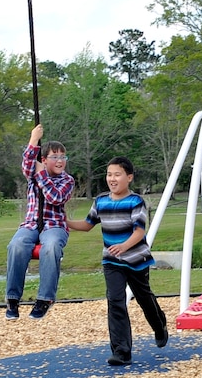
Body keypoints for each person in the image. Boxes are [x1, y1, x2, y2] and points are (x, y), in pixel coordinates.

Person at [67, 156, 167, 366]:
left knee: (144, 298)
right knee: (115, 301)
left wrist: (123, 246)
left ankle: (159, 325)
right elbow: (87, 224)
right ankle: (121, 352)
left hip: (136, 259)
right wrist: (65, 222)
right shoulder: (100, 200)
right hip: (112, 261)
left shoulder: (136, 201)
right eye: (109, 174)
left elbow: (140, 232)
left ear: (129, 177)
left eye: (117, 174)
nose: (112, 179)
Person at [5, 124, 75, 321]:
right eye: (55, 157)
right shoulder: (32, 175)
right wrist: (34, 139)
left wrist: (42, 173)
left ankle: (44, 299)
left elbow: (55, 198)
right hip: (31, 224)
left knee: (51, 247)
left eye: (63, 157)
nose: (60, 161)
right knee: (16, 245)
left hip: (54, 226)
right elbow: (27, 164)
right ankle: (12, 298)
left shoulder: (67, 180)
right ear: (44, 159)